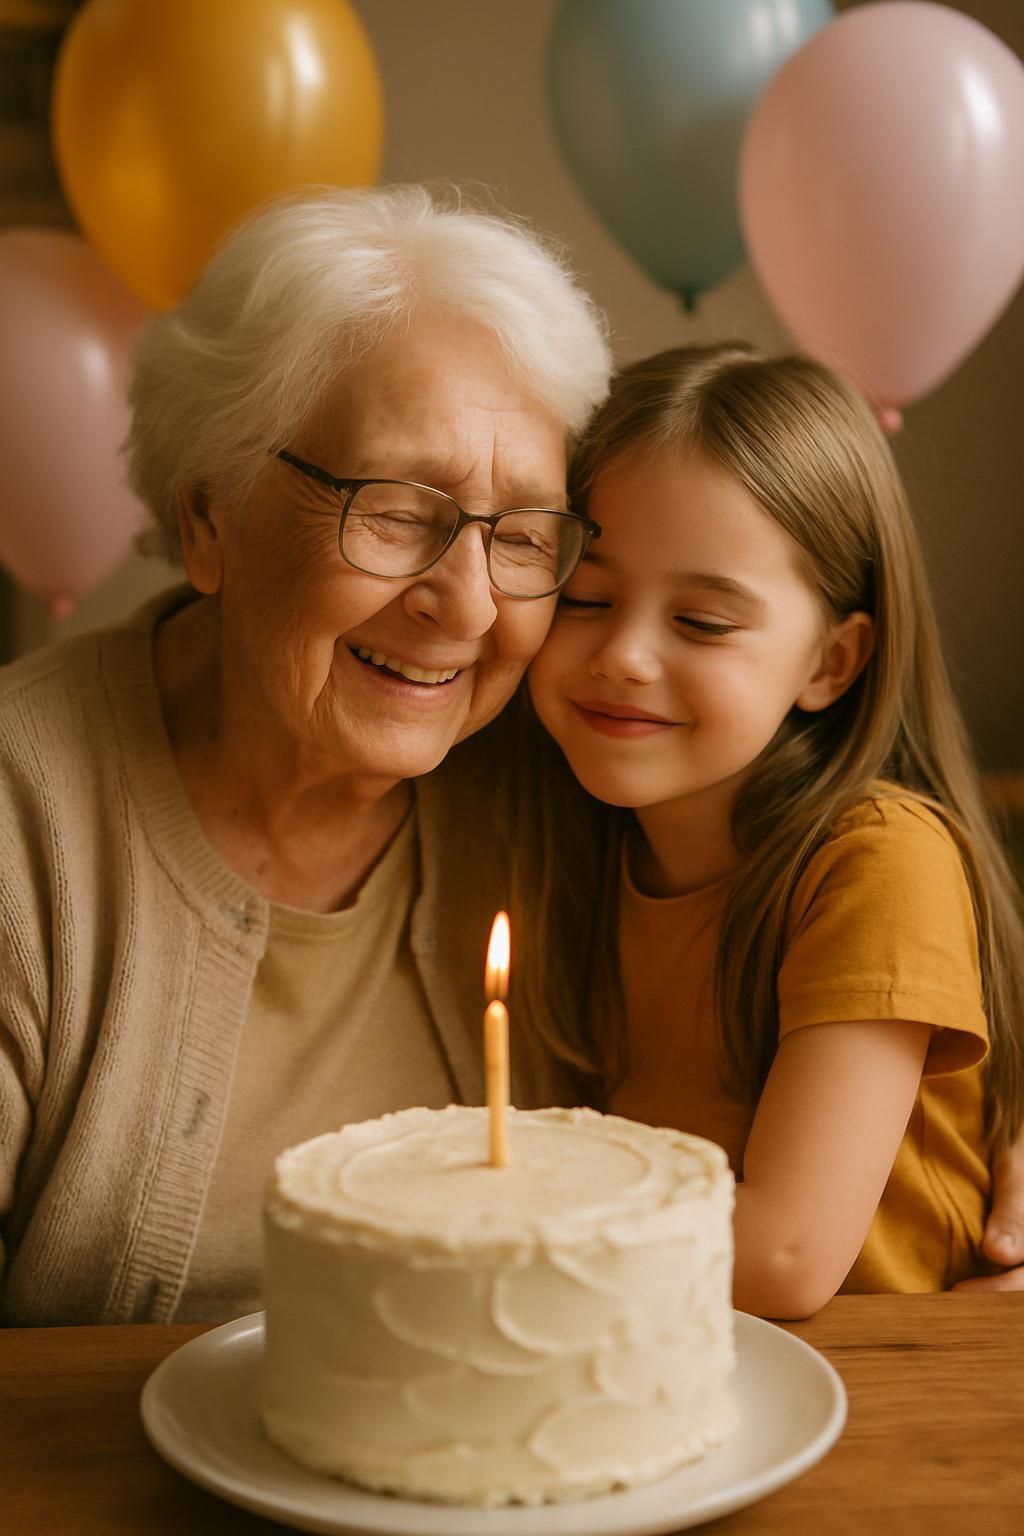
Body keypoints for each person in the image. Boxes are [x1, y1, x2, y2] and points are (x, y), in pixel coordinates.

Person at [0, 185, 612, 1326]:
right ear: (207, 519)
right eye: (395, 510)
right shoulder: (20, 818)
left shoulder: (577, 774)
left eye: (522, 534)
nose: (469, 606)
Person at [519, 343, 1024, 1315]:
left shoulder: (879, 858)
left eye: (702, 623)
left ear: (830, 664)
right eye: (586, 598)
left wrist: (482, 1223)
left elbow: (781, 1256)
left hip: (889, 1401)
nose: (622, 654)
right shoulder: (584, 838)